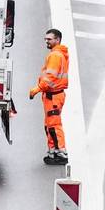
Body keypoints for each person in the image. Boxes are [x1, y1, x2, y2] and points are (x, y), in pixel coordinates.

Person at [32, 28, 71, 166]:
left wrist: (37, 89)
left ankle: (61, 153)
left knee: (54, 125)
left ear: (57, 40)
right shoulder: (59, 54)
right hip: (53, 96)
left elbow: (50, 78)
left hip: (53, 96)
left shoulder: (55, 56)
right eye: (46, 39)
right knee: (50, 125)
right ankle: (53, 151)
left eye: (49, 39)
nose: (46, 41)